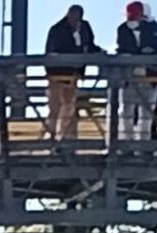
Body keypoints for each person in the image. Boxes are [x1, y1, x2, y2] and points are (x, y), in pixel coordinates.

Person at [47, 5, 104, 140]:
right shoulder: (57, 30)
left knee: (70, 107)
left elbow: (90, 45)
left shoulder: (84, 28)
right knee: (55, 107)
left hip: (74, 75)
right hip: (57, 75)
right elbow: (51, 53)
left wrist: (100, 53)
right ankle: (51, 137)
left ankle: (66, 137)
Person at [118, 2, 157, 142]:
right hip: (129, 77)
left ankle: (143, 146)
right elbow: (123, 49)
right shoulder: (122, 29)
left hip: (150, 77)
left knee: (146, 113)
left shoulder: (154, 29)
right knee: (125, 111)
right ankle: (125, 144)